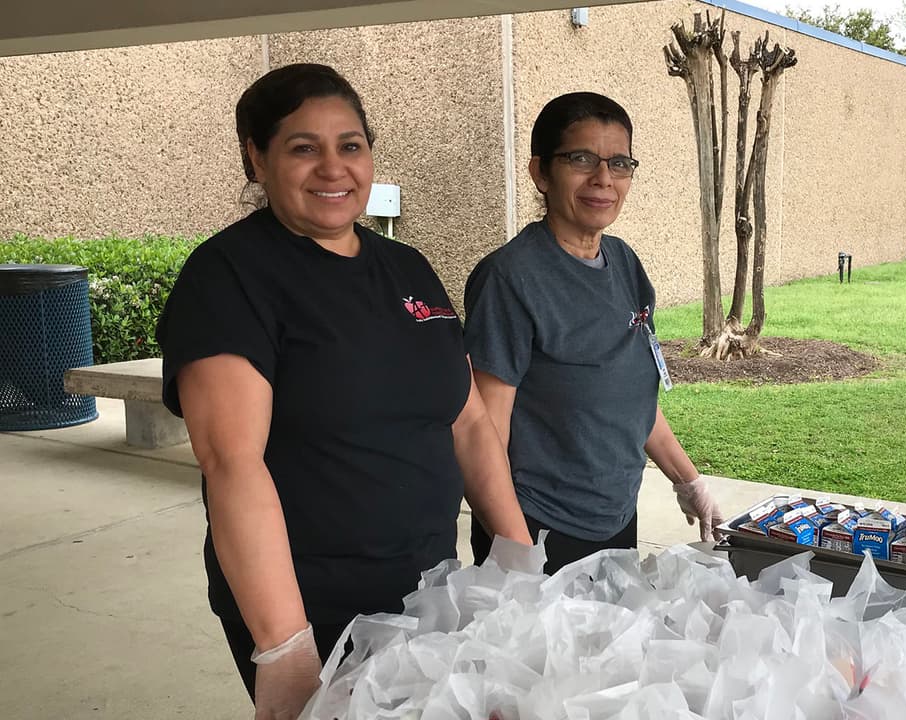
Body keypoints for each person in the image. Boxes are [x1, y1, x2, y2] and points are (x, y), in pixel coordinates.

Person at [156, 63, 531, 719]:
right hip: (316, 607)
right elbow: (231, 462)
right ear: (257, 158)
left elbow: (468, 422)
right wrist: (286, 651)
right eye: (304, 147)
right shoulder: (229, 278)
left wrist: (519, 560)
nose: (333, 167)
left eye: (350, 145)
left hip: (430, 588)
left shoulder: (405, 267)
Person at [463, 91, 723, 575]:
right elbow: (484, 434)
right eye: (581, 159)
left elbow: (631, 397)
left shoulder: (624, 263)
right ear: (541, 172)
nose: (603, 179)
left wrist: (688, 482)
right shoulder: (510, 279)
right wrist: (517, 554)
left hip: (615, 517)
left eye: (619, 163)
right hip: (538, 527)